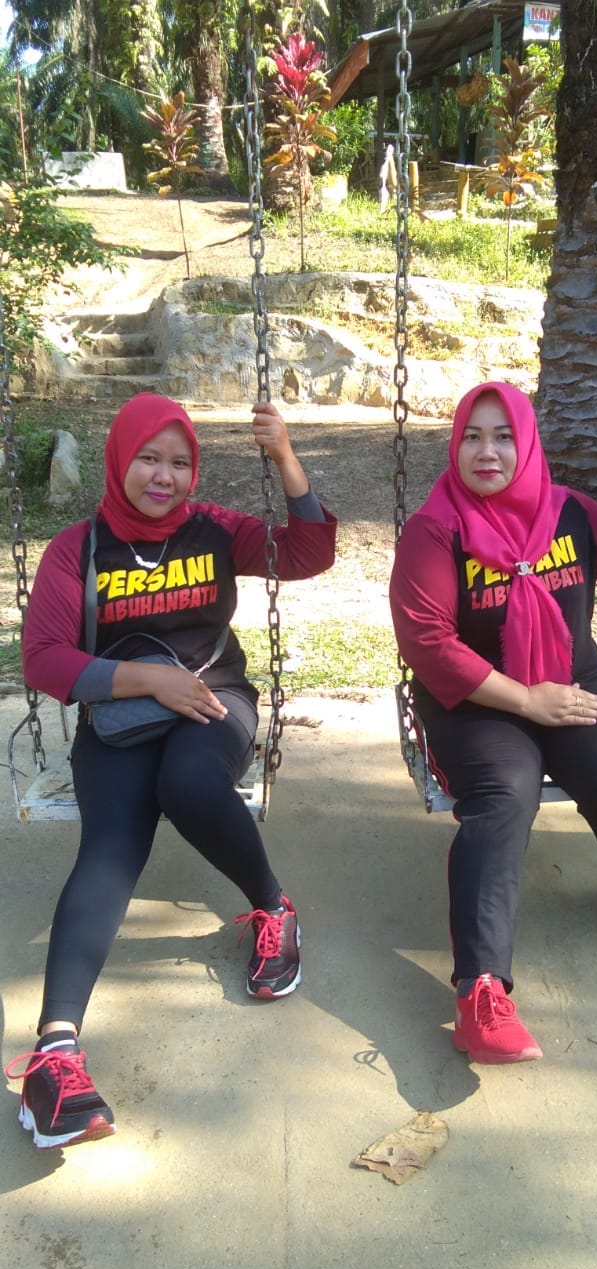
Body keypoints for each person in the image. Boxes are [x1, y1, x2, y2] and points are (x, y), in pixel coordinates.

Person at [5, 391, 336, 1148]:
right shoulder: (77, 551)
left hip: (215, 698)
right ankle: (55, 1057)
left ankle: (273, 907)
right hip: (123, 713)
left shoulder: (214, 531)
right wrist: (150, 680)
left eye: (180, 462)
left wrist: (285, 456)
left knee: (187, 785)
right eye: (149, 459)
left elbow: (309, 555)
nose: (164, 476)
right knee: (109, 850)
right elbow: (45, 660)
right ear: (121, 459)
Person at [389, 381, 597, 1067]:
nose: (487, 452)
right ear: (455, 445)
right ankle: (481, 992)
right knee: (505, 796)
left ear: (526, 444)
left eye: (503, 437)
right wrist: (527, 702)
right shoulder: (437, 530)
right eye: (472, 437)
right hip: (476, 700)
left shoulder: (566, 510)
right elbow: (429, 642)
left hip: (569, 677)